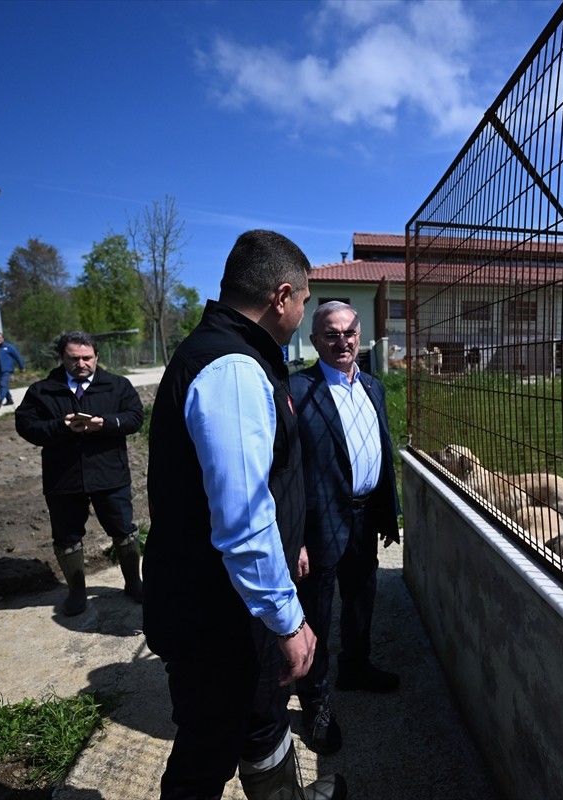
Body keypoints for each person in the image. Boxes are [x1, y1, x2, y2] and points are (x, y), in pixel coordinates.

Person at [143, 230, 344, 800]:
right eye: (305, 300)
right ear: (282, 296)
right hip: (217, 611)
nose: (303, 313)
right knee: (209, 746)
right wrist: (287, 619)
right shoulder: (232, 368)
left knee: (258, 720)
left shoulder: (237, 354)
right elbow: (242, 515)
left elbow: (266, 484)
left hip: (228, 599)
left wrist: (291, 542)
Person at [290, 301, 401, 755]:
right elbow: (285, 470)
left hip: (363, 515)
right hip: (319, 522)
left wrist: (387, 512)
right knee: (315, 611)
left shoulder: (372, 385)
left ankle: (355, 667)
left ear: (361, 335)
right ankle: (315, 700)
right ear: (315, 341)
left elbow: (381, 448)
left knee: (361, 594)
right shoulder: (298, 389)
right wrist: (293, 536)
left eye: (350, 332)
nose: (343, 341)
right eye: (331, 335)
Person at [14, 331, 144, 616]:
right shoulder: (43, 390)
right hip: (64, 477)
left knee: (123, 529)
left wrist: (106, 423)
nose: (81, 363)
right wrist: (61, 427)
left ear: (97, 356)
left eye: (87, 358)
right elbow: (26, 426)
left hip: (109, 473)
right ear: (62, 358)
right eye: (74, 358)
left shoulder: (117, 385)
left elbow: (135, 417)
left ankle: (134, 583)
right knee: (67, 535)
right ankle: (76, 592)